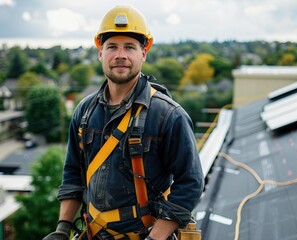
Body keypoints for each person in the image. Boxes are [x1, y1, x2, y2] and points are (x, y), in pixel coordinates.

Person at [43, 4, 204, 240]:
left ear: (143, 53)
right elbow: (73, 174)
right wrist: (62, 228)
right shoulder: (84, 112)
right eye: (112, 47)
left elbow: (190, 183)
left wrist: (155, 238)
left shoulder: (168, 115)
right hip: (93, 234)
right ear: (100, 53)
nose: (120, 55)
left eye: (129, 47)